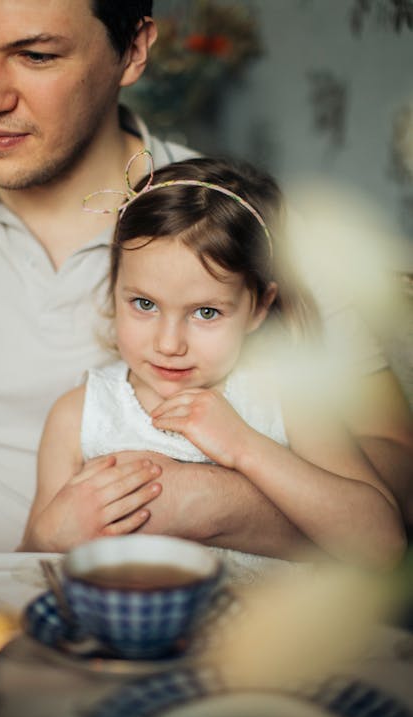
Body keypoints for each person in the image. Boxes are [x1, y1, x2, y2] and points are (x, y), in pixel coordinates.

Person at [0, 0, 412, 553]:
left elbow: (397, 480)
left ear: (133, 50)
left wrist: (217, 502)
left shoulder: (248, 227)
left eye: (35, 55)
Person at [21, 155, 406, 568]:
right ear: (114, 289)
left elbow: (384, 544)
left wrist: (245, 447)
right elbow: (19, 568)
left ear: (259, 307)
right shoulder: (79, 415)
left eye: (206, 312)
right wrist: (46, 535)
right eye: (144, 303)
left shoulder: (286, 399)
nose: (169, 344)